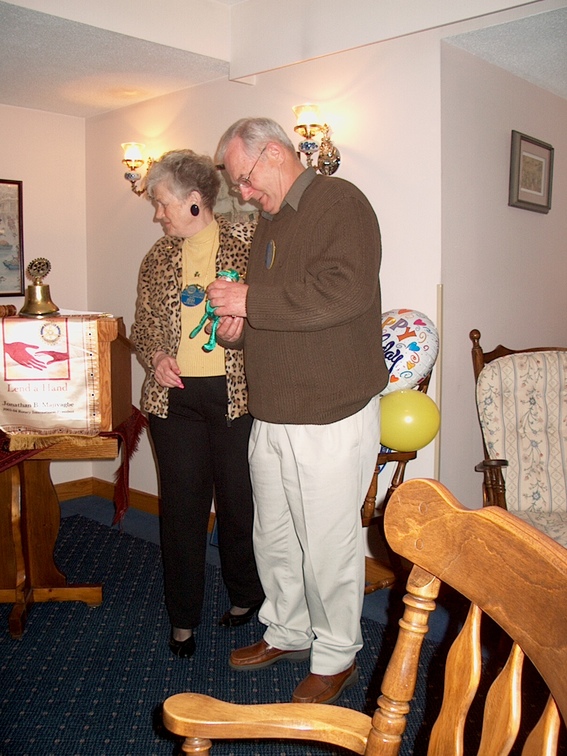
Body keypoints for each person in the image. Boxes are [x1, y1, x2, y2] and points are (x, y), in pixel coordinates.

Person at [207, 118, 388, 704]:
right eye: (237, 184)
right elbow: (280, 313)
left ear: (275, 153)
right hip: (274, 412)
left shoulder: (341, 202)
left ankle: (336, 654)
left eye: (245, 178)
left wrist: (250, 300)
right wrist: (239, 329)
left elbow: (344, 292)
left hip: (329, 412)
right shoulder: (272, 220)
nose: (243, 193)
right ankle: (286, 630)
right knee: (276, 536)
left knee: (329, 544)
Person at [130, 149, 264, 660]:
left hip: (238, 396)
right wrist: (157, 355)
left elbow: (271, 309)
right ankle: (182, 618)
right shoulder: (157, 256)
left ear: (193, 200)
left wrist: (246, 323)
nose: (157, 215)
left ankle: (246, 596)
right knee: (182, 511)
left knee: (239, 506)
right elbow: (144, 323)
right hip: (175, 401)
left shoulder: (250, 240)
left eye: (162, 203)